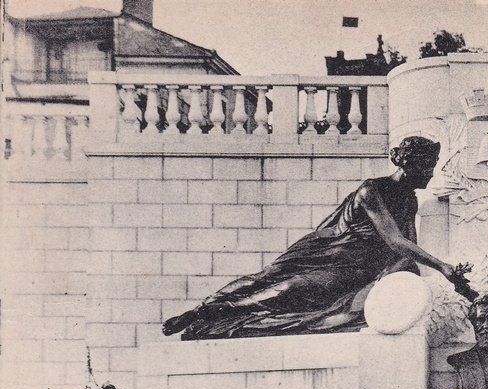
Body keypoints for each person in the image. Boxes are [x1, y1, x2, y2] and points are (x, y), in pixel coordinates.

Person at [163, 136, 460, 340]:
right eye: (428, 166)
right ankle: (201, 310)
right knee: (265, 279)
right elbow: (395, 240)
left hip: (352, 271)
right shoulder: (373, 190)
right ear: (409, 164)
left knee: (285, 292)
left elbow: (408, 248)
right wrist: (442, 267)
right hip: (326, 252)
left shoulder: (410, 201)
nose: (432, 173)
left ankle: (217, 316)